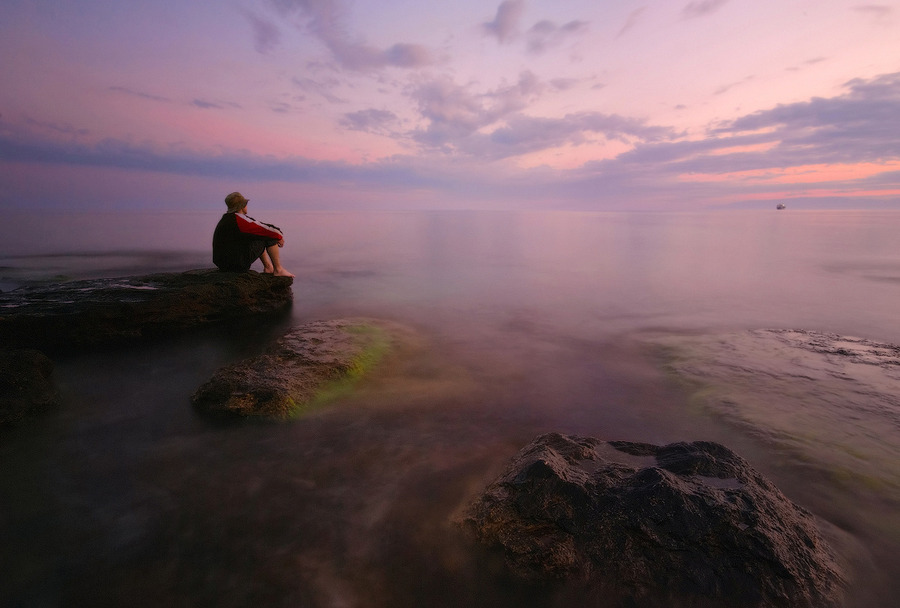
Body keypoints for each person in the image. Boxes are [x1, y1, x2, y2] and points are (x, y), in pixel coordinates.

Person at [212, 192, 294, 277]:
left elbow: (259, 225)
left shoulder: (227, 218)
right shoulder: (239, 220)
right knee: (270, 237)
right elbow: (269, 231)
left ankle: (269, 267)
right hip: (236, 265)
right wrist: (279, 236)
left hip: (223, 264)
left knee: (258, 234)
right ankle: (278, 270)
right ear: (242, 205)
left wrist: (276, 233)